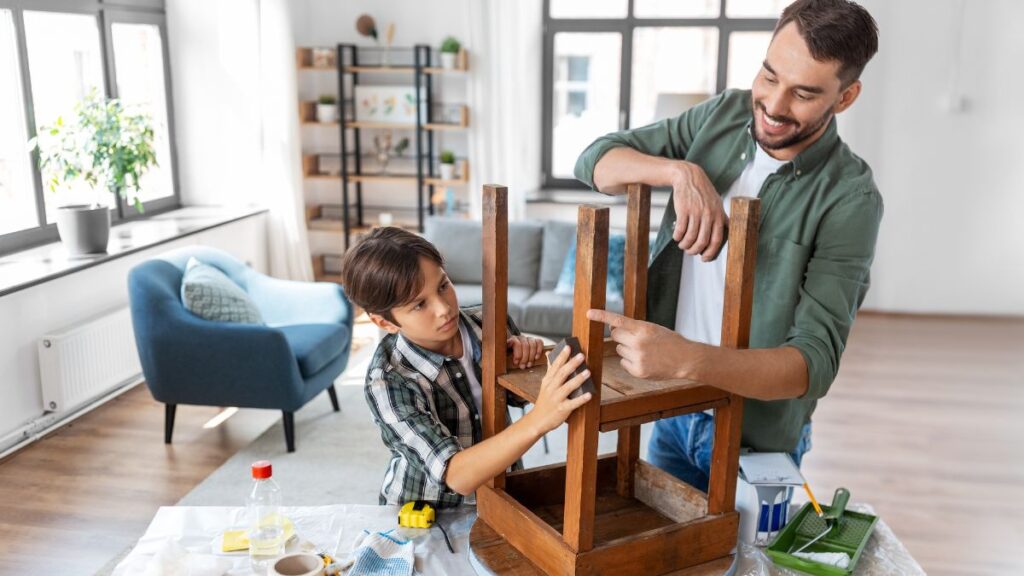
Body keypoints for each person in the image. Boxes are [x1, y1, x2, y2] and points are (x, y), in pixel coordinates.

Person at [574, 0, 882, 491]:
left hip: (757, 436)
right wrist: (680, 171)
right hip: (672, 412)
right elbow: (594, 161)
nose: (775, 106)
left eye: (803, 94)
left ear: (845, 98)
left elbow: (814, 363)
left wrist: (686, 358)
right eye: (768, 76)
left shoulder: (851, 197)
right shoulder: (723, 114)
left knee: (742, 565)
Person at [341, 227, 592, 507]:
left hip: (502, 495)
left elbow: (515, 397)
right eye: (419, 305)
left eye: (443, 286)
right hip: (430, 514)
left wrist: (526, 364)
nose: (444, 309)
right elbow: (455, 475)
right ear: (385, 323)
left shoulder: (491, 324)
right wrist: (539, 420)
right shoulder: (387, 380)